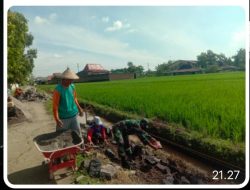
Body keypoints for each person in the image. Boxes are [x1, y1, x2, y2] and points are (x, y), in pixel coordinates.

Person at [52, 67, 84, 142]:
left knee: (77, 134)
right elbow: (55, 106)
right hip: (63, 118)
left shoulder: (72, 86)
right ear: (64, 79)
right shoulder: (58, 90)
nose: (71, 81)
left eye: (72, 80)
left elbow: (74, 98)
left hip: (74, 115)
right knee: (61, 137)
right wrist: (57, 119)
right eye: (69, 79)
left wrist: (79, 109)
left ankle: (78, 149)